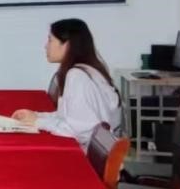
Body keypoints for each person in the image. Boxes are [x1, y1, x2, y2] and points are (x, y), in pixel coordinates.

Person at [12, 19, 122, 151]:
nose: (46, 46)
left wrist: (37, 122)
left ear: (67, 45)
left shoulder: (77, 76)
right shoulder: (88, 69)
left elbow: (77, 130)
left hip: (84, 155)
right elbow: (68, 116)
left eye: (50, 40)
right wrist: (37, 116)